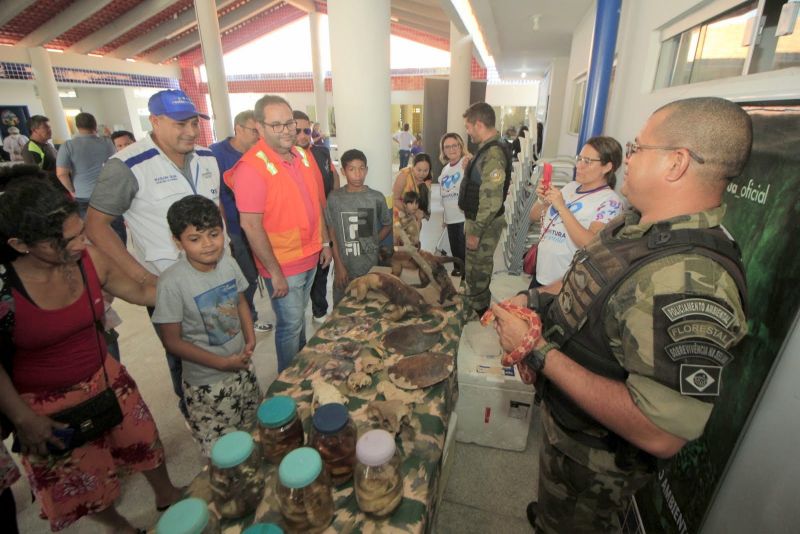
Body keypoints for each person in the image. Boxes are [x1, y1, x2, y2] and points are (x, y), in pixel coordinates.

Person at [492, 97, 753, 533]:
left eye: (637, 148)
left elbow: (660, 431)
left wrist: (535, 351)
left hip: (598, 468)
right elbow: (584, 280)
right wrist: (531, 299)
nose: (627, 160)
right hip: (568, 434)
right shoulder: (634, 226)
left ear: (676, 163)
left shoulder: (687, 278)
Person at [0, 175, 182, 533]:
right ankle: (118, 525)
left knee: (142, 439)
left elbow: (136, 290)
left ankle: (167, 494)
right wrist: (22, 417)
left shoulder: (88, 258)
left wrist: (190, 286)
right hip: (43, 403)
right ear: (21, 244)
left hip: (107, 375)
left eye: (81, 231)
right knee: (81, 478)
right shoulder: (5, 291)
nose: (82, 243)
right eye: (66, 241)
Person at [86, 88, 219, 420]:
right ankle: (193, 413)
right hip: (165, 283)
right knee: (182, 355)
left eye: (193, 123)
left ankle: (225, 400)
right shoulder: (127, 165)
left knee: (220, 340)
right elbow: (96, 226)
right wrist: (142, 277)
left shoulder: (208, 158)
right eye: (179, 124)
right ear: (155, 121)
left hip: (215, 276)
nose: (190, 131)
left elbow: (217, 212)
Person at [225, 94, 332, 373]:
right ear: (259, 127)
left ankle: (300, 368)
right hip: (284, 265)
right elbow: (250, 225)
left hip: (310, 254)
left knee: (299, 321)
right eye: (277, 125)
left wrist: (325, 242)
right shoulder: (252, 168)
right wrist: (275, 272)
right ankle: (287, 382)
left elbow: (316, 202)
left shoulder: (302, 156)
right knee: (289, 325)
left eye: (289, 123)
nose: (286, 130)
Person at [152, 196, 261, 456]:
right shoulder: (171, 283)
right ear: (177, 241)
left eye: (214, 234)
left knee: (254, 432)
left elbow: (240, 301)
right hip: (207, 385)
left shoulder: (228, 262)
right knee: (223, 453)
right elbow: (172, 341)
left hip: (243, 369)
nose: (208, 244)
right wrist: (222, 364)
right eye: (195, 238)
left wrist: (250, 337)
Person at [529, 136, 623, 287]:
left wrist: (562, 207)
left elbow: (591, 244)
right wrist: (542, 201)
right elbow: (532, 216)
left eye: (587, 161)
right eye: (579, 158)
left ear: (607, 167)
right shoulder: (570, 187)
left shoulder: (610, 202)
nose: (579, 165)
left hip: (568, 284)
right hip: (542, 273)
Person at [210, 110, 274, 333]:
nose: (258, 136)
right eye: (253, 131)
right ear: (238, 129)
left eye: (260, 131)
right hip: (232, 230)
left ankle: (248, 317)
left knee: (253, 276)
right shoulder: (215, 154)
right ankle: (244, 321)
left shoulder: (260, 154)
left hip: (259, 227)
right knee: (242, 277)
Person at [458, 102, 512, 317]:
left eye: (468, 127)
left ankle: (479, 312)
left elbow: (491, 202)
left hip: (484, 224)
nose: (468, 132)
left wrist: (476, 231)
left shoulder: (493, 154)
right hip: (479, 220)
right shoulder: (488, 149)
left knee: (477, 269)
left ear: (479, 124)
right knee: (473, 267)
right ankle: (474, 304)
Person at [325, 149, 391, 304]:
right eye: (351, 169)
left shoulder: (376, 197)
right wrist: (339, 266)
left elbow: (387, 224)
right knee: (342, 308)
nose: (357, 174)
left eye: (361, 168)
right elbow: (331, 231)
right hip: (345, 267)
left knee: (370, 308)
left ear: (366, 170)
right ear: (343, 171)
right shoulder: (335, 198)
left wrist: (374, 241)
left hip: (370, 266)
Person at [293, 110, 341, 320]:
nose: (303, 135)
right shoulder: (287, 158)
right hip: (301, 226)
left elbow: (334, 175)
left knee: (323, 265)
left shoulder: (321, 152)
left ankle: (319, 310)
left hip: (324, 220)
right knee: (304, 273)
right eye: (298, 131)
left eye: (307, 130)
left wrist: (332, 200)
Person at [55, 112, 116, 215]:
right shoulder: (107, 142)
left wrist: (72, 191)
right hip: (107, 192)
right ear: (95, 125)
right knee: (114, 226)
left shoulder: (67, 146)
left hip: (83, 193)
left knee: (89, 227)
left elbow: (61, 174)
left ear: (77, 126)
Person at [438, 132, 469, 276]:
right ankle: (458, 270)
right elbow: (444, 196)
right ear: (443, 150)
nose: (451, 149)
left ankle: (466, 278)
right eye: (447, 147)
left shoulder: (466, 163)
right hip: (450, 218)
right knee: (455, 250)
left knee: (464, 252)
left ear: (460, 146)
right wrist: (445, 219)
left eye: (454, 145)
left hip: (464, 217)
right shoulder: (445, 169)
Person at [392, 152, 432, 228]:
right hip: (398, 220)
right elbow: (394, 199)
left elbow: (425, 208)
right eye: (419, 170)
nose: (422, 174)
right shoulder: (404, 175)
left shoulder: (427, 180)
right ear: (413, 166)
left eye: (425, 170)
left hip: (414, 223)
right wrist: (410, 211)